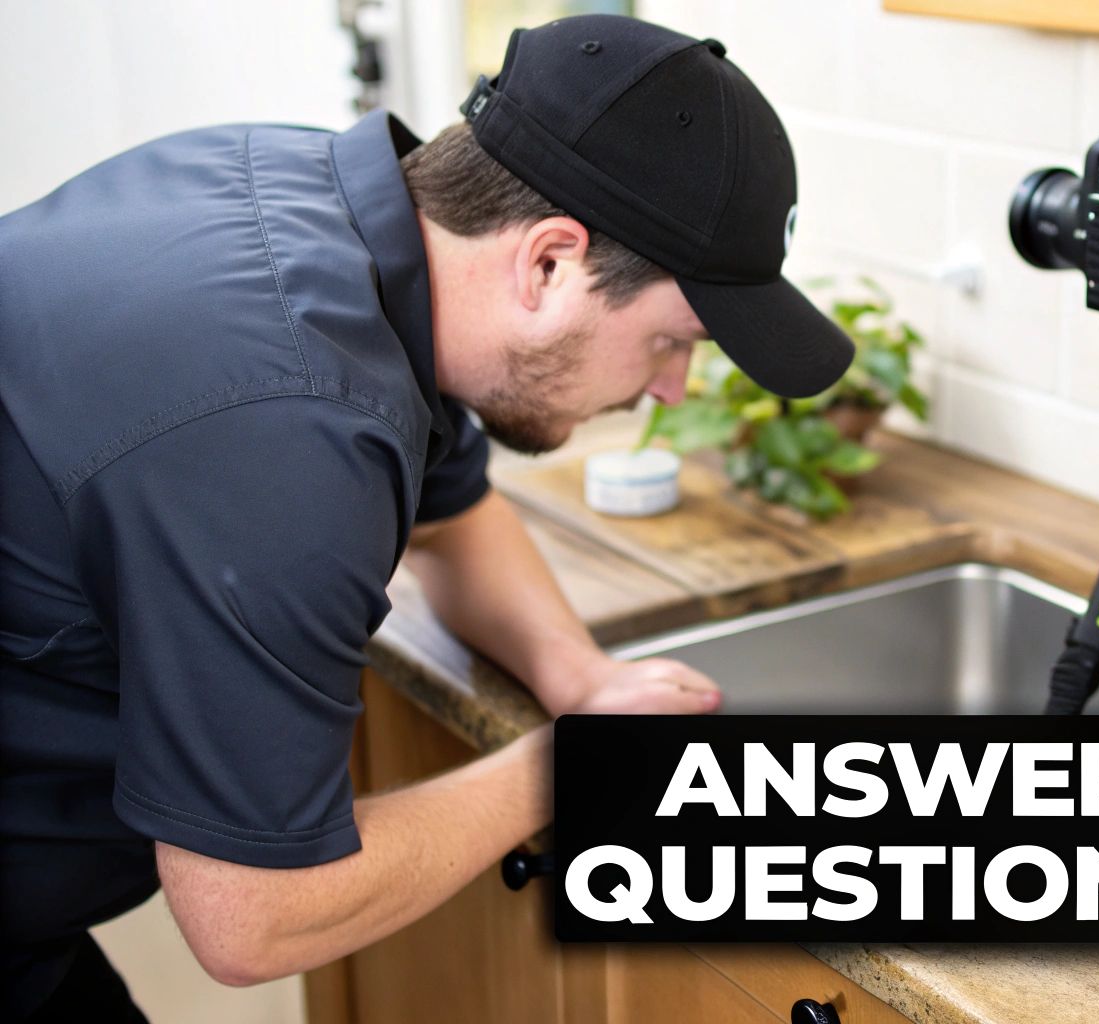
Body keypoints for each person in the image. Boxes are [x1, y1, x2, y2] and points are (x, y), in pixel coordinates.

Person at [0, 15, 853, 1020]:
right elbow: (255, 916)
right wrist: (561, 773)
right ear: (547, 264)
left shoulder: (329, 210)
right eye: (675, 339)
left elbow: (455, 510)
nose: (674, 387)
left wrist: (581, 680)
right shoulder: (288, 434)